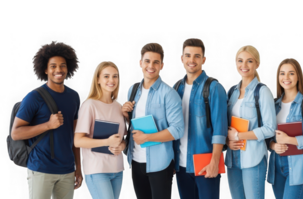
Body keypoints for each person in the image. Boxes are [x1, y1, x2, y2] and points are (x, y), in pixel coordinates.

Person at [11, 41, 82, 199]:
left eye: (62, 65)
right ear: (45, 69)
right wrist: (48, 125)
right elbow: (16, 133)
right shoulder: (33, 97)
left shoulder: (74, 96)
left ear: (68, 67)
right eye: (53, 66)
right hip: (41, 169)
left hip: (67, 170)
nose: (59, 70)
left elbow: (75, 136)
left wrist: (78, 168)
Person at [122, 42, 184, 199]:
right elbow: (132, 124)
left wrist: (147, 137)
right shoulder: (132, 89)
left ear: (162, 65)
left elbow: (177, 129)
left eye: (156, 62)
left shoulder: (169, 94)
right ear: (140, 63)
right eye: (147, 61)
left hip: (160, 162)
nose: (151, 66)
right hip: (135, 160)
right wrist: (125, 115)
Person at [173, 38, 228, 199]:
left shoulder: (214, 87)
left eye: (197, 56)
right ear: (181, 58)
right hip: (180, 165)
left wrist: (214, 162)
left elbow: (220, 128)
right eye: (188, 55)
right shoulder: (175, 88)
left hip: (206, 163)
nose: (192, 60)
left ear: (204, 59)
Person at [267, 58, 303, 199]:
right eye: (282, 73)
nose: (286, 77)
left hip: (299, 166)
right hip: (276, 165)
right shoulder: (274, 105)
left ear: (298, 76)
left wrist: (289, 139)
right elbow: (268, 136)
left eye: (291, 73)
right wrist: (273, 145)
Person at [226, 45, 276, 199]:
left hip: (253, 158)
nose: (244, 65)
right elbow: (226, 126)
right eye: (240, 61)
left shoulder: (263, 92)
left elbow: (270, 128)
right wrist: (228, 141)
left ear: (257, 64)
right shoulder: (231, 92)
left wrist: (240, 135)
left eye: (249, 61)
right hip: (232, 159)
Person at [74, 61, 126, 199]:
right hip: (97, 170)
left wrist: (121, 146)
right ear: (98, 79)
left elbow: (124, 139)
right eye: (106, 76)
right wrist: (107, 141)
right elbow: (78, 141)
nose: (111, 80)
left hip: (118, 170)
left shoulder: (119, 106)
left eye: (115, 76)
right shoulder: (89, 105)